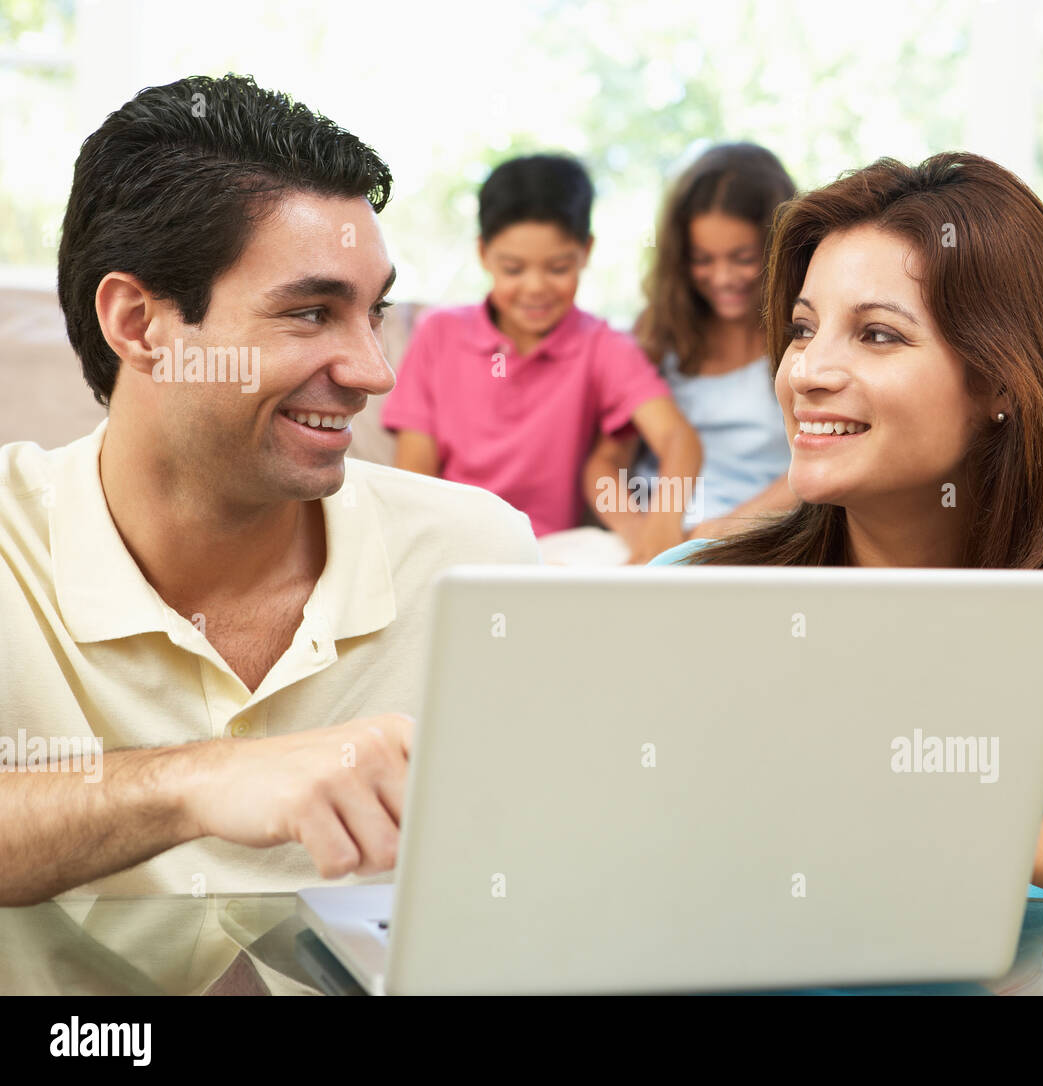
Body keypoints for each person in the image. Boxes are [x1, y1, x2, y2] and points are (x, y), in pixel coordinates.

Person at [651, 153, 1043, 920]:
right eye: (803, 328)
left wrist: (981, 836)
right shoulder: (692, 589)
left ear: (1000, 382)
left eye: (878, 336)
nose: (807, 373)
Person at [0, 74, 540, 905]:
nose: (374, 372)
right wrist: (197, 779)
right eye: (312, 313)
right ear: (139, 324)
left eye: (374, 311)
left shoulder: (474, 559)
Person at [383, 154, 701, 563]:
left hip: (552, 551)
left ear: (586, 252)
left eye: (557, 267)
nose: (535, 288)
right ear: (483, 254)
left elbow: (678, 438)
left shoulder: (603, 346)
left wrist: (661, 526)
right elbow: (414, 482)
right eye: (513, 269)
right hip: (453, 544)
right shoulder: (439, 333)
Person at [584, 143, 798, 546]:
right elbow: (606, 464)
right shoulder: (657, 334)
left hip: (756, 537)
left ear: (778, 250)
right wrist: (642, 534)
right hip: (656, 537)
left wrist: (719, 534)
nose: (722, 277)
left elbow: (818, 470)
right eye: (702, 259)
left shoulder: (806, 335)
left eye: (743, 257)